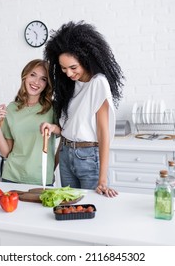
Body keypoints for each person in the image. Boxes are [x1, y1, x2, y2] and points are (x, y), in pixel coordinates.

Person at [42, 21, 124, 197]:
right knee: (69, 209)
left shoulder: (98, 83)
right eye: (64, 69)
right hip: (65, 154)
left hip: (87, 157)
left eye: (73, 67)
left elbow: (103, 132)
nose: (69, 74)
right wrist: (53, 166)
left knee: (91, 210)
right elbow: (67, 131)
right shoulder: (69, 86)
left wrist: (102, 179)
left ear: (86, 59)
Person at [0, 59, 56, 185]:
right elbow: (6, 152)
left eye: (43, 79)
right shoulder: (11, 108)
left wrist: (52, 166)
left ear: (47, 84)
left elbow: (63, 136)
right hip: (12, 176)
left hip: (41, 178)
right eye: (33, 75)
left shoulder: (52, 108)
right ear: (25, 76)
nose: (36, 82)